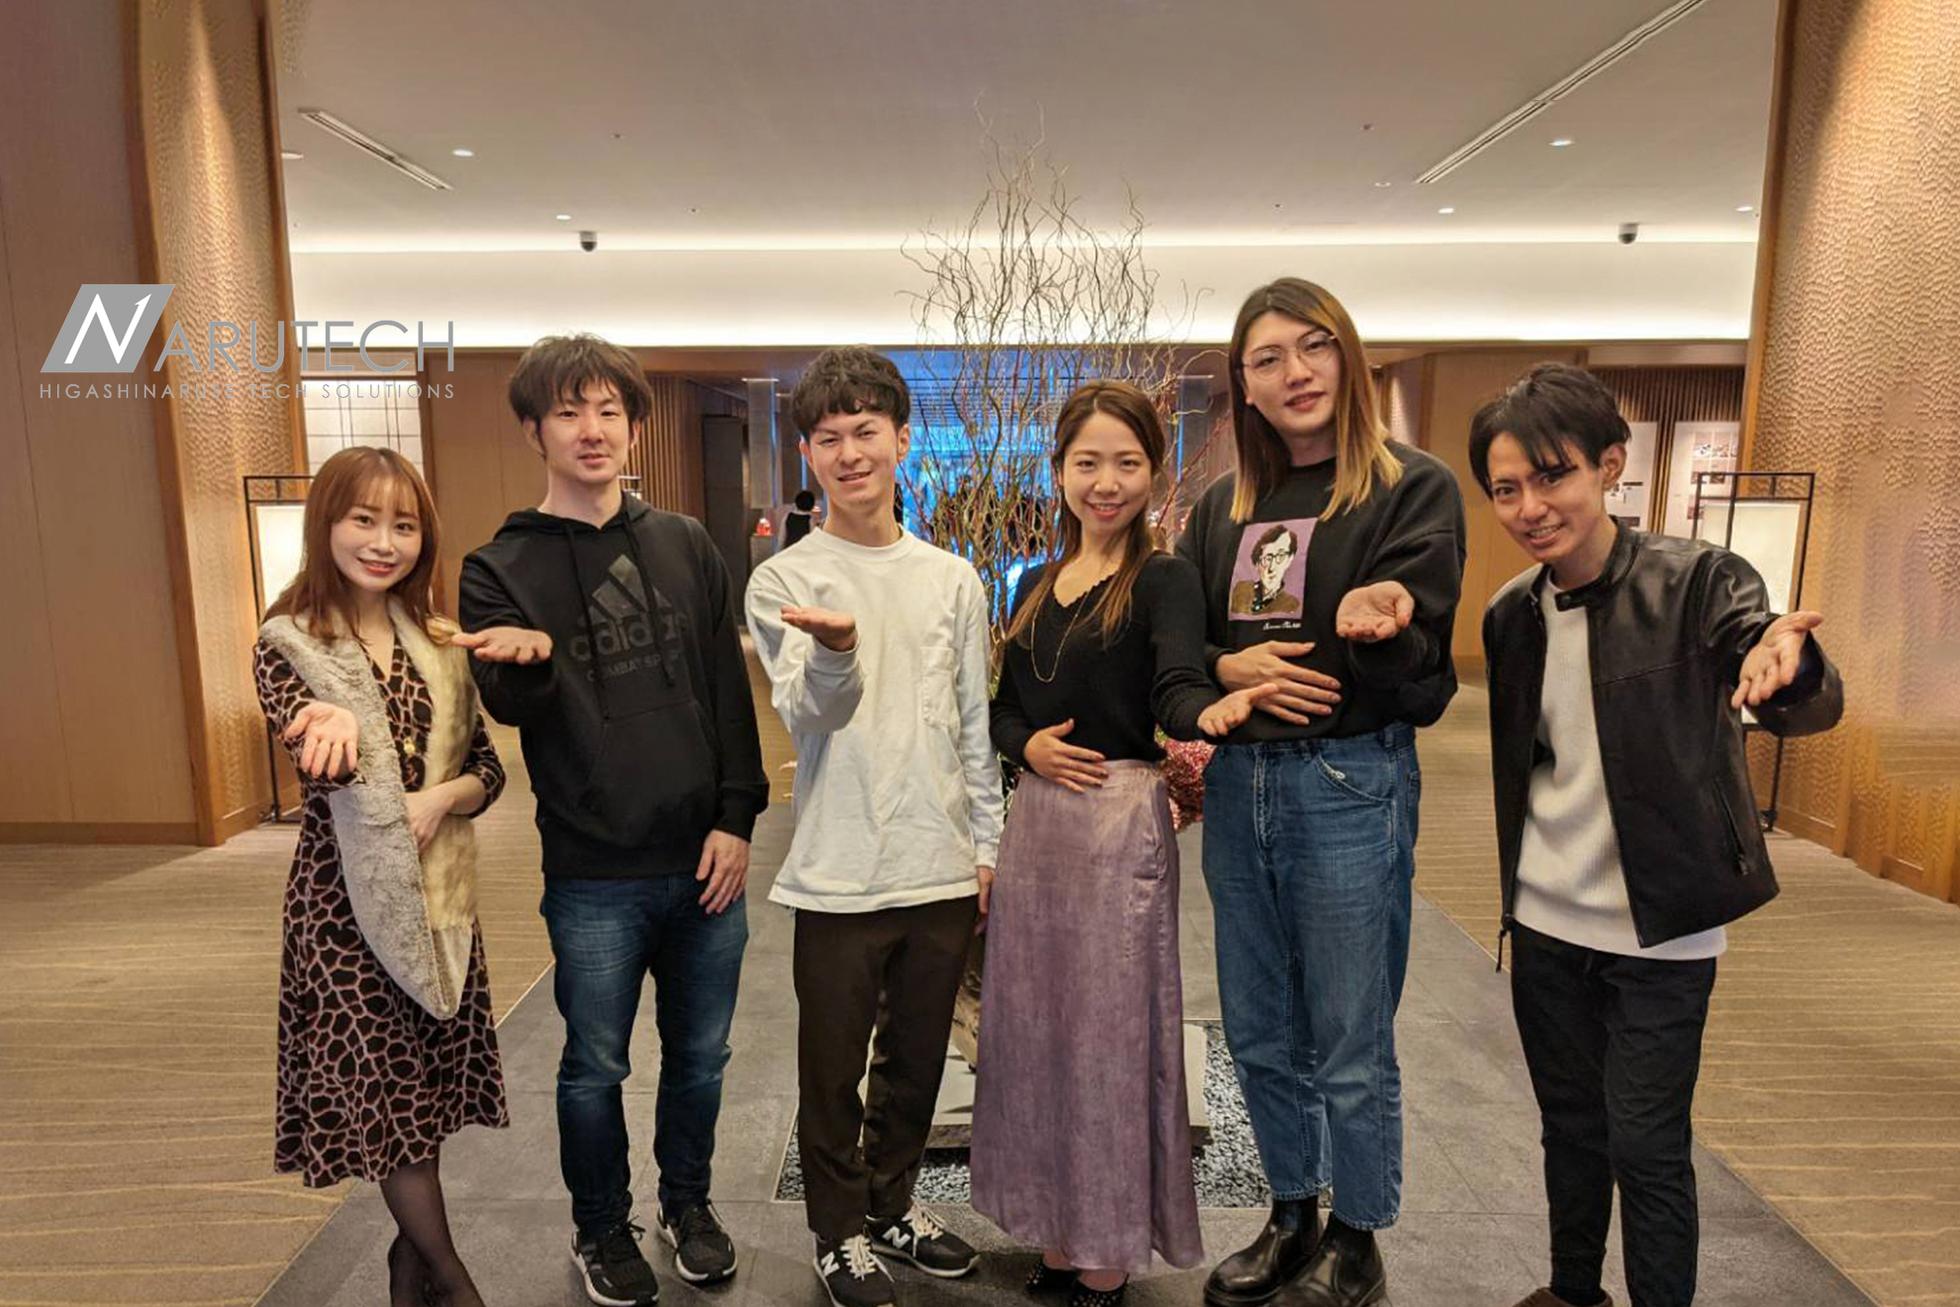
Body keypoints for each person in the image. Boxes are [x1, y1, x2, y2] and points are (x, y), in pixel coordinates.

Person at [1471, 363, 1843, 1307]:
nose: (1530, 507)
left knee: (1645, 1142)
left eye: (1551, 476)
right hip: (1546, 918)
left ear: (1609, 464)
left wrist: (1789, 666)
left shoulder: (1699, 581)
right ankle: (1571, 1291)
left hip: (1663, 927)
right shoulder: (1511, 614)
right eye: (1506, 489)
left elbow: (1777, 668)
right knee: (1571, 1125)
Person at [455, 334, 769, 1306]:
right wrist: (524, 664)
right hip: (594, 870)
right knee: (594, 1065)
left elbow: (728, 692)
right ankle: (600, 1223)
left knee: (702, 1056)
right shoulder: (499, 565)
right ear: (533, 430)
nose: (591, 429)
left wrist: (738, 816)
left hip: (705, 857)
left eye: (608, 410)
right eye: (568, 411)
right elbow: (509, 707)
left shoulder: (685, 542)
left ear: (633, 424)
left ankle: (688, 1203)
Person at [1177, 277, 1467, 1307]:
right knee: (1257, 1026)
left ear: (1347, 355)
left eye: (1313, 347)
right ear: (1244, 384)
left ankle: (1358, 1230)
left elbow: (1425, 671)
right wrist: (1226, 668)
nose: (1294, 372)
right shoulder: (1222, 508)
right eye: (1267, 357)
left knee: (1349, 1030)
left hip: (1350, 777)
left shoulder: (1410, 488)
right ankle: (1291, 1209)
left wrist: (1384, 619)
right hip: (1239, 783)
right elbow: (1183, 646)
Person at [971, 380, 1277, 1307]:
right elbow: (1005, 707)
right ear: (1060, 470)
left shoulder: (1164, 577)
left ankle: (1104, 1243)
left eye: (1127, 462)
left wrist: (1207, 713)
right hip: (1038, 825)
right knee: (1036, 1028)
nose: (1106, 482)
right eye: (1087, 462)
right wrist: (1026, 746)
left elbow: (1175, 682)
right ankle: (1056, 1228)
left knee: (1106, 1032)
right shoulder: (1033, 582)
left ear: (1154, 471)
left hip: (1116, 822)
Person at [745, 346, 1004, 1307]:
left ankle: (893, 1204)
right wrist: (837, 651)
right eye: (829, 437)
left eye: (866, 431)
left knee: (917, 1060)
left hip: (940, 862)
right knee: (831, 1067)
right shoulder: (785, 580)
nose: (849, 452)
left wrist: (988, 845)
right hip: (838, 867)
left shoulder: (953, 579)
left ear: (902, 439)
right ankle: (839, 1229)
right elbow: (809, 714)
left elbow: (972, 725)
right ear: (808, 454)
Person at [253, 446, 506, 1307]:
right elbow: (315, 749)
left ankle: (408, 1263)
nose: (383, 541)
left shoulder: (439, 641)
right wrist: (323, 720)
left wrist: (440, 798)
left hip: (440, 896)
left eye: (403, 524)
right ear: (326, 523)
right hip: (344, 912)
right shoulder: (288, 642)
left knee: (420, 1096)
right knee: (391, 1101)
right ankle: (455, 1282)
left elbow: (487, 769)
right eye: (363, 519)